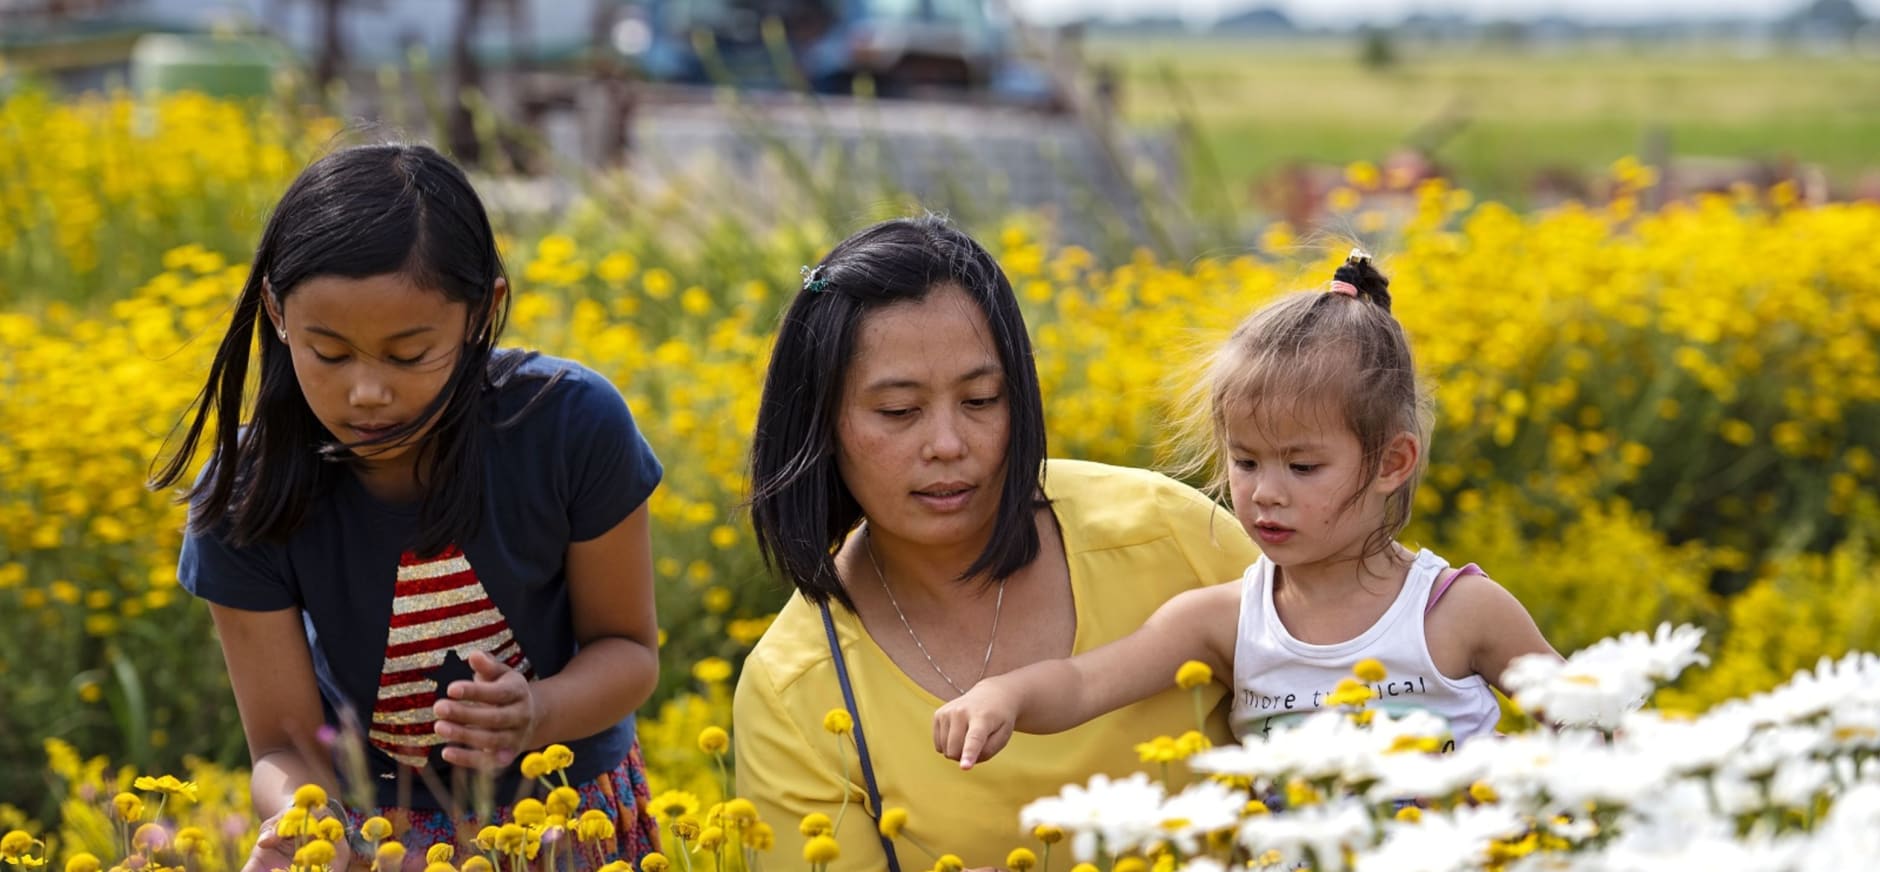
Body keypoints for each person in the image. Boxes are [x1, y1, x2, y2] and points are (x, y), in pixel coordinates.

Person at [152, 143, 663, 871]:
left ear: (481, 311)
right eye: (329, 354)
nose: (365, 392)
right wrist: (313, 829)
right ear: (276, 311)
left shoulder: (570, 426)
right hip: (374, 837)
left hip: (564, 813)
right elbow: (282, 745)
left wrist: (536, 712)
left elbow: (630, 654)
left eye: (407, 354)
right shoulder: (247, 491)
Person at [733, 215, 1261, 871]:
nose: (948, 444)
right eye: (899, 412)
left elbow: (1361, 704)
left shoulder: (1167, 534)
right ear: (821, 426)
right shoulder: (795, 692)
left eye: (982, 400)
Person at [934, 250, 1562, 768]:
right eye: (1247, 461)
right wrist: (1004, 695)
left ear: (1391, 463)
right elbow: (1085, 683)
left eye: (1303, 466)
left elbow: (1599, 722)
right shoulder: (1226, 620)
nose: (1265, 492)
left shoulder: (1457, 612)